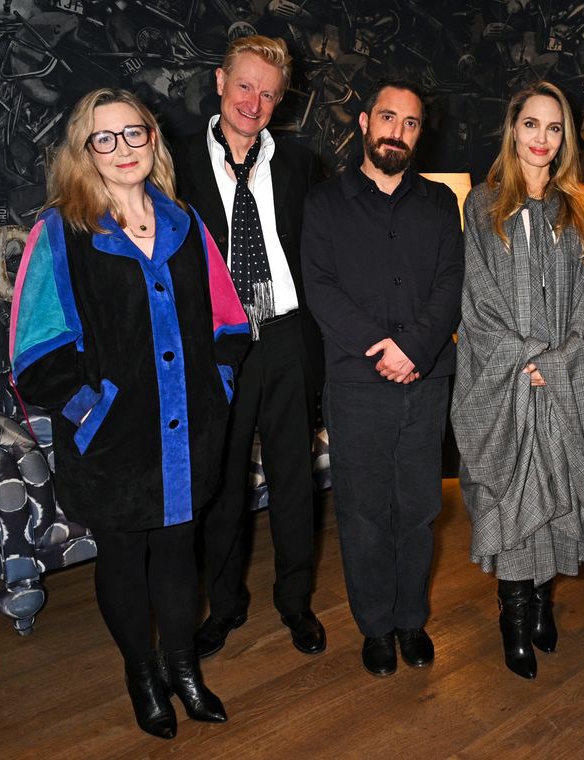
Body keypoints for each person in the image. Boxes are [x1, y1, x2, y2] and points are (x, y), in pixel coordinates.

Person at [10, 88, 250, 737]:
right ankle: (142, 676)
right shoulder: (60, 231)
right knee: (123, 559)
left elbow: (231, 323)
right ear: (84, 150)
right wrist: (94, 413)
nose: (121, 149)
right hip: (113, 444)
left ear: (153, 139)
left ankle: (184, 671)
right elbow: (35, 352)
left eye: (133, 133)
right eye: (104, 137)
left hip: (189, 434)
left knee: (179, 555)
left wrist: (216, 384)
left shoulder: (186, 225)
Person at [171, 35, 327, 660]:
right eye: (245, 86)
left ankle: (296, 603)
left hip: (287, 338)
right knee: (223, 484)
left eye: (268, 93)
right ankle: (226, 606)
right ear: (219, 81)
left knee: (295, 480)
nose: (254, 102)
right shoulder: (171, 163)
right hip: (217, 347)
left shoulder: (299, 165)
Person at [301, 79, 464, 677]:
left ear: (421, 133)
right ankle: (375, 627)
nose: (397, 131)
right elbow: (319, 287)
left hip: (425, 380)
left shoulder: (441, 203)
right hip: (355, 381)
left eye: (411, 123)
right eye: (388, 118)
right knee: (365, 513)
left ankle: (409, 621)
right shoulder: (324, 203)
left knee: (419, 508)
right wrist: (382, 350)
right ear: (366, 122)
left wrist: (414, 348)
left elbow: (451, 284)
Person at [451, 81, 584, 680]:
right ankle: (513, 618)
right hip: (508, 383)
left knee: (559, 493)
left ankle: (543, 601)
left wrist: (566, 360)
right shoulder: (483, 205)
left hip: (566, 379)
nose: (542, 139)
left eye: (554, 128)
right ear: (512, 129)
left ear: (564, 137)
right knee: (514, 494)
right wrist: (523, 358)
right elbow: (479, 300)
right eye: (531, 125)